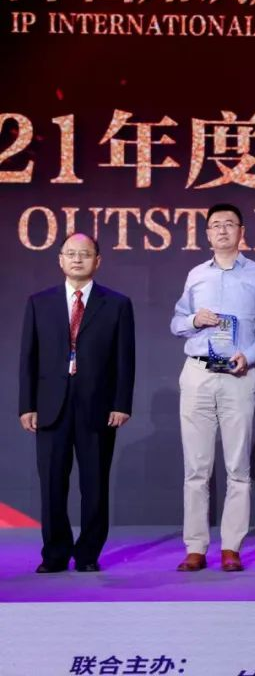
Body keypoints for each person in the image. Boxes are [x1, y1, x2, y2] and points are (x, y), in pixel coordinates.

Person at [170, 204, 255, 573]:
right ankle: (195, 547)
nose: (222, 230)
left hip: (238, 374)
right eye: (215, 225)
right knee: (196, 468)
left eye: (229, 224)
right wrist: (193, 319)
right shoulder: (196, 274)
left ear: (241, 231)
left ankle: (232, 546)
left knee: (238, 467)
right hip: (198, 373)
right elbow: (176, 323)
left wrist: (249, 355)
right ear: (207, 234)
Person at [19, 233, 135, 573]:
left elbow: (125, 359)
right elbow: (28, 358)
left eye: (85, 254)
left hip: (98, 407)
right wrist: (27, 405)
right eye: (71, 253)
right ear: (60, 260)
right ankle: (54, 554)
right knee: (52, 483)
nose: (77, 259)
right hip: (50, 406)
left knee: (94, 484)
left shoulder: (117, 304)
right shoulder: (39, 303)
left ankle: (87, 554)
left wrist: (121, 403)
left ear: (97, 260)